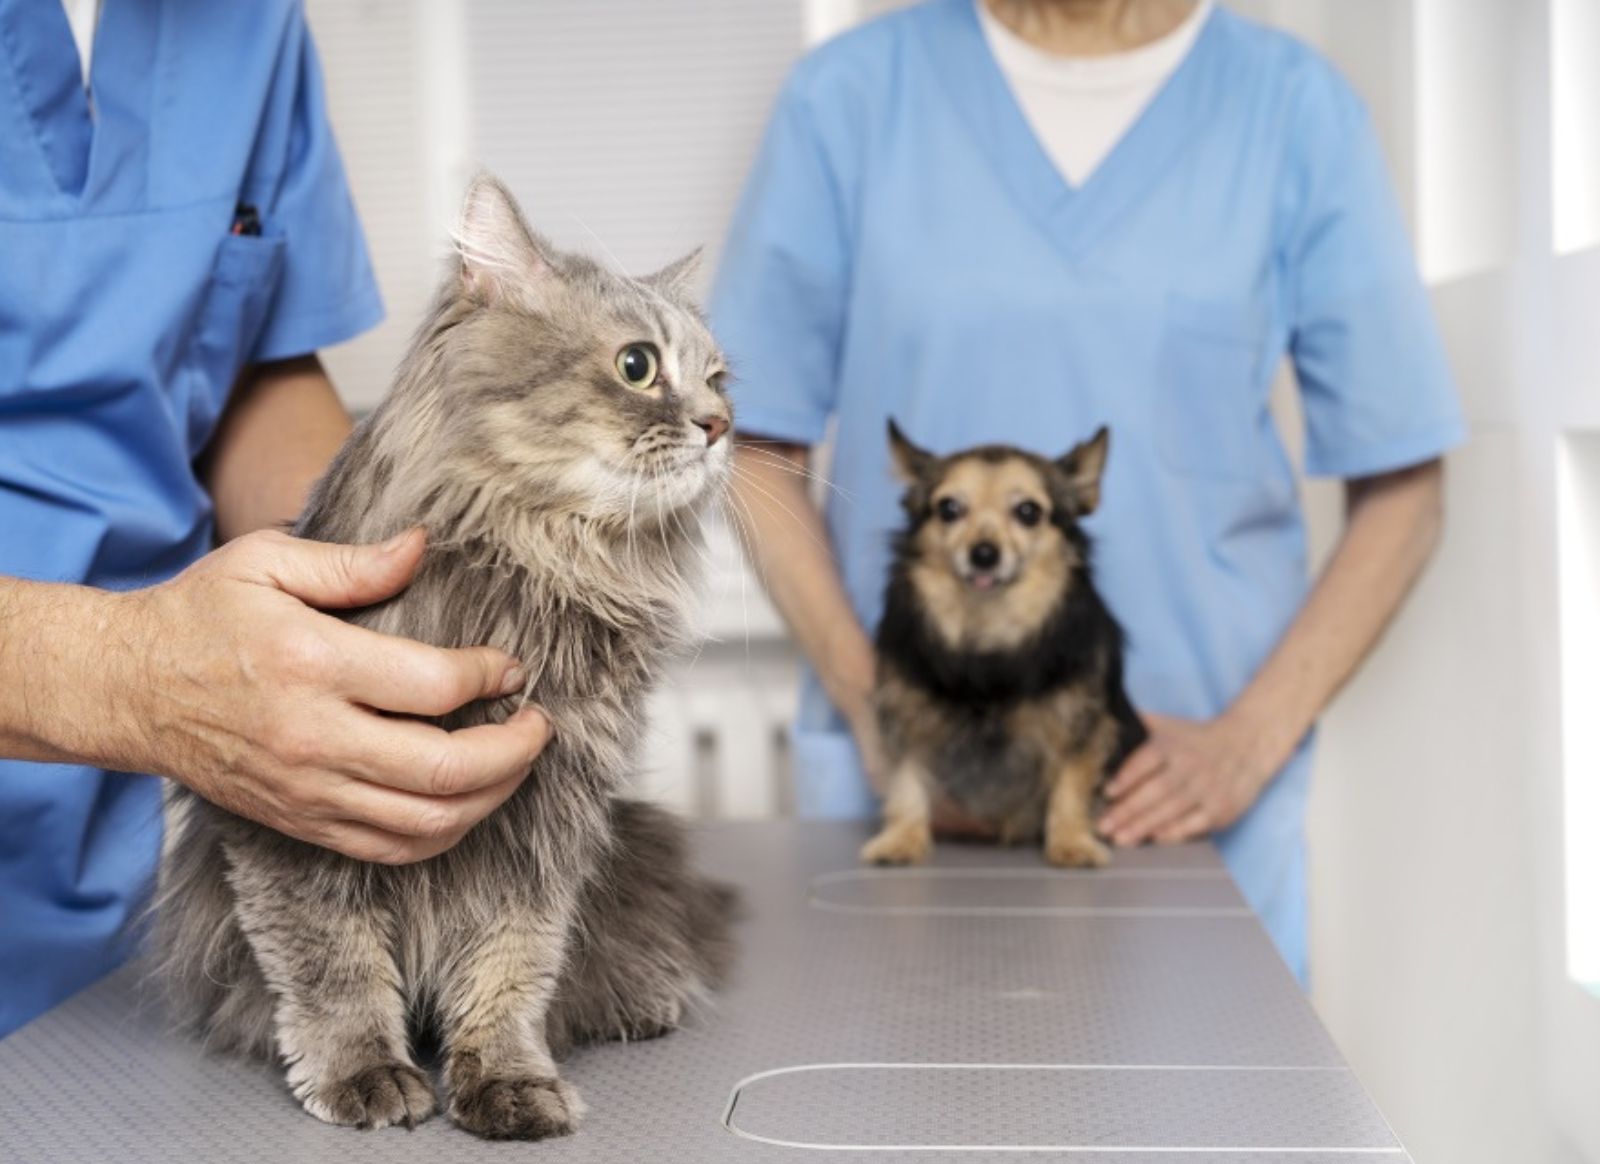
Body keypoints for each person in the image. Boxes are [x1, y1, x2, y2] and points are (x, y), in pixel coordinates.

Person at [711, 0, 1463, 984]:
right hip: (910, 806)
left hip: (1177, 823)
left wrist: (1248, 738)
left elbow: (1404, 481)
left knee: (1203, 1129)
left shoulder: (1294, 113)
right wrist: (878, 707)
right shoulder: (846, 100)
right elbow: (754, 445)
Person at [0, 0, 551, 1037]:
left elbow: (246, 369)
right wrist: (130, 676)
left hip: (115, 910)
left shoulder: (252, 26)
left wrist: (410, 593)